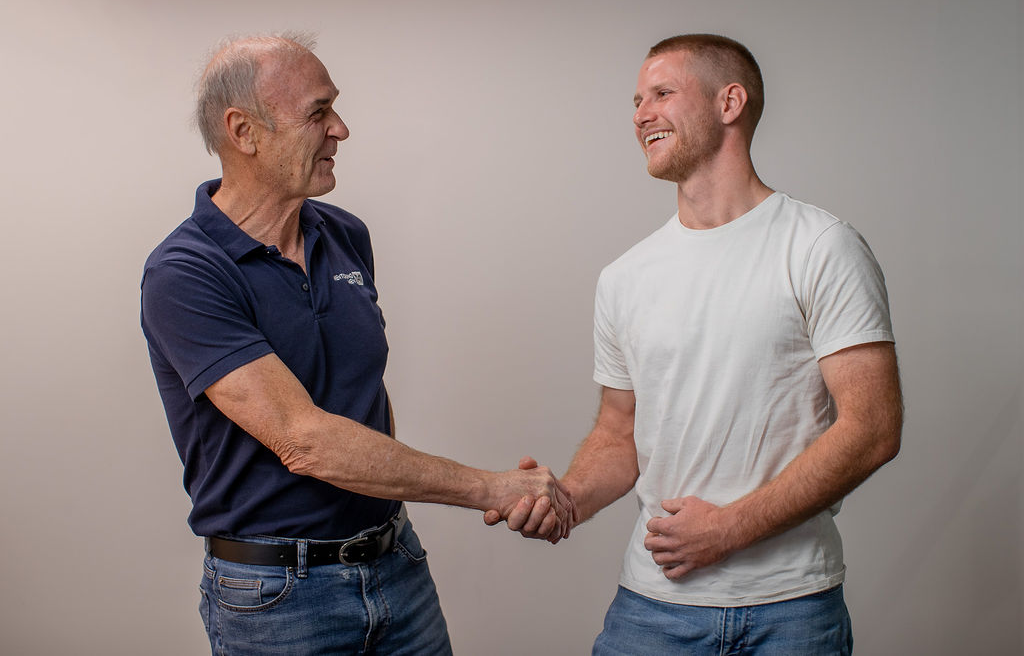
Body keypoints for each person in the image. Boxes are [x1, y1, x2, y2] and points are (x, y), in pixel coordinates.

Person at [140, 32, 575, 655]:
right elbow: (305, 439)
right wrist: (493, 488)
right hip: (277, 600)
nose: (340, 128)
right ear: (244, 131)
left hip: (395, 564)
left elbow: (365, 387)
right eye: (318, 112)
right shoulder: (185, 272)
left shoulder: (344, 234)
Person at [491, 33, 903, 654]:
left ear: (729, 102)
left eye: (662, 93)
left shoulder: (821, 247)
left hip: (790, 610)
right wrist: (567, 499)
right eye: (636, 101)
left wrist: (729, 529)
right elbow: (617, 433)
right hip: (654, 608)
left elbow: (873, 427)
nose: (639, 115)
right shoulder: (625, 276)